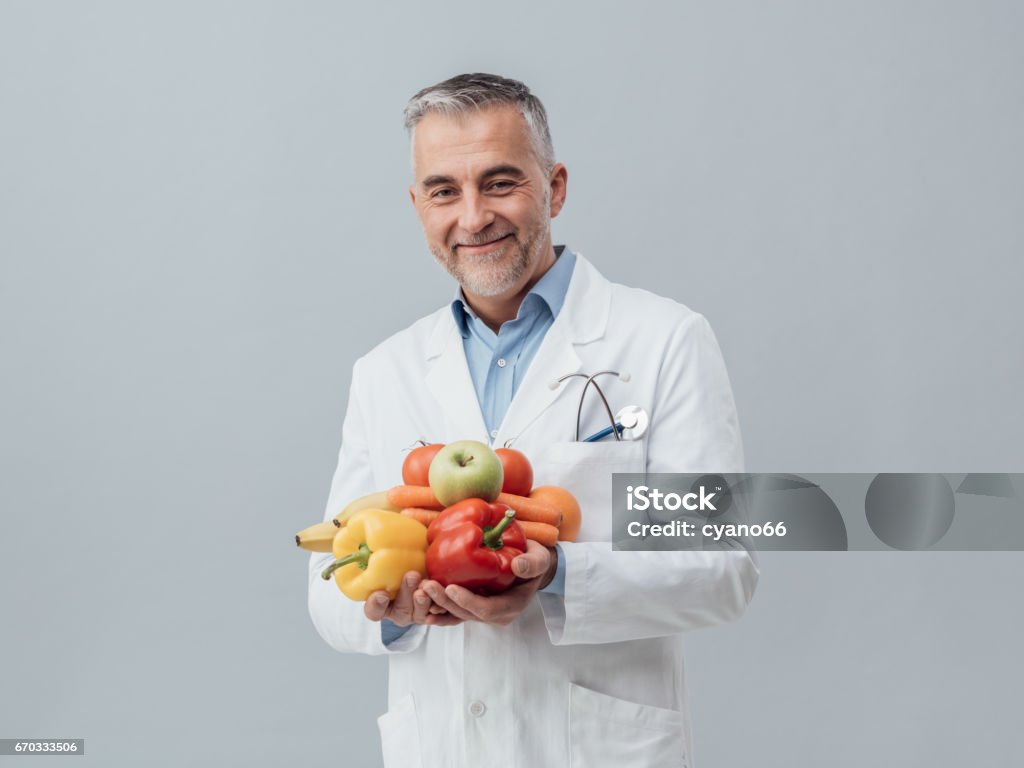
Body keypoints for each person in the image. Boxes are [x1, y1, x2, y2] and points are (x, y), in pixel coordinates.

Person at [307, 73, 759, 768]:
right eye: (443, 191)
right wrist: (392, 612)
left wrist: (558, 576)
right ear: (417, 205)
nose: (473, 216)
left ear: (555, 187)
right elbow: (327, 592)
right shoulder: (385, 371)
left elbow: (721, 566)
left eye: (499, 182)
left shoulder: (662, 339)